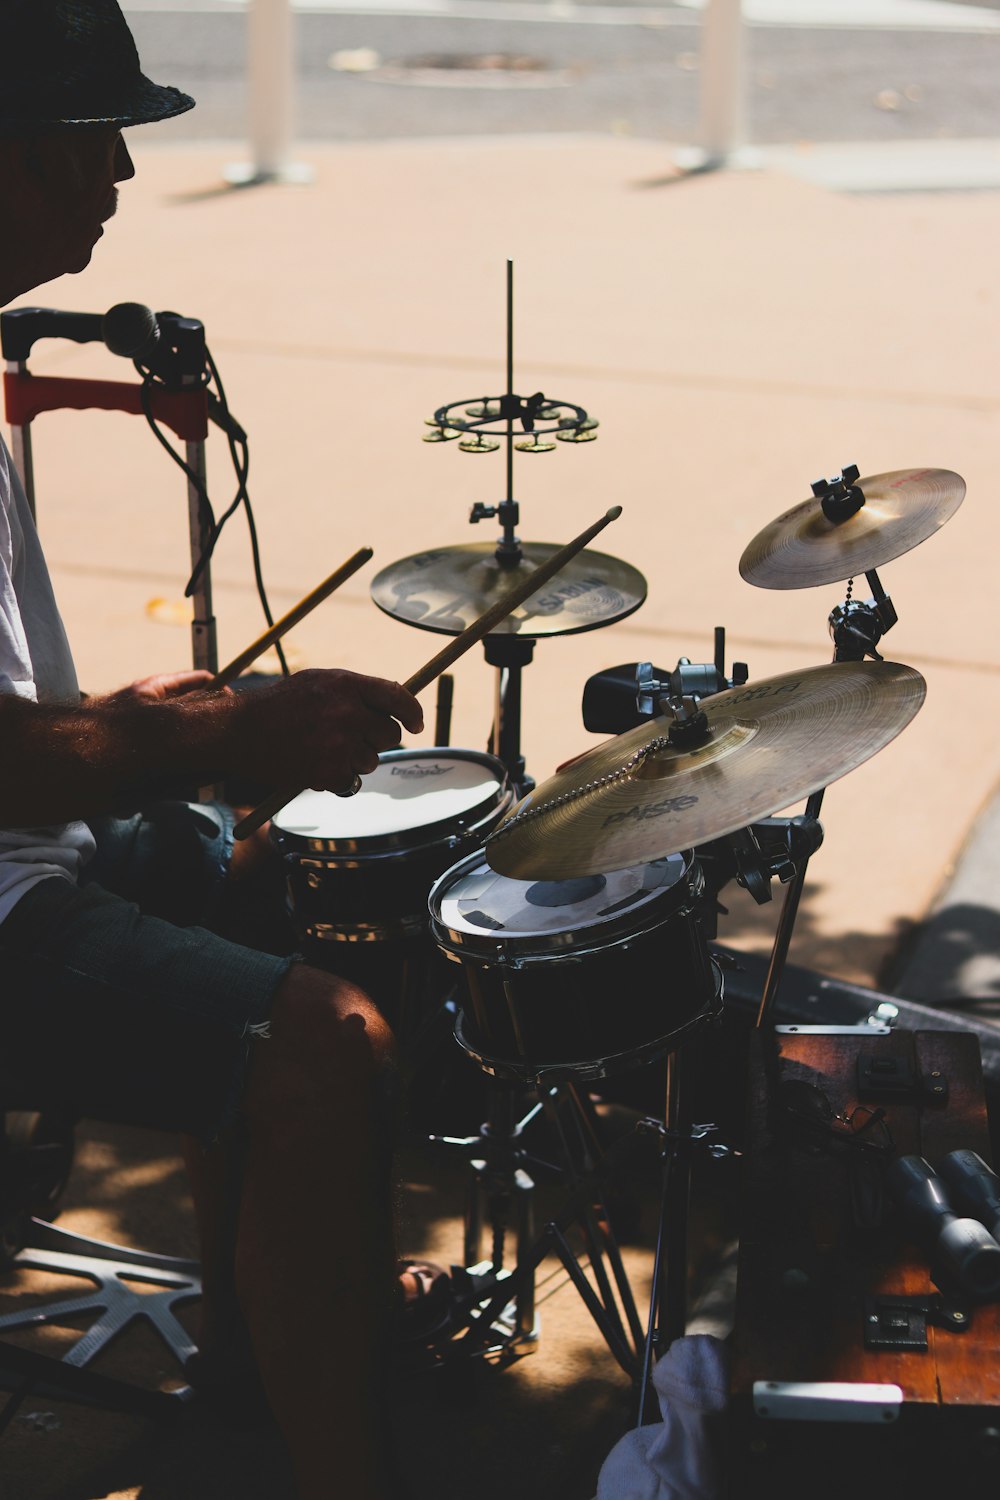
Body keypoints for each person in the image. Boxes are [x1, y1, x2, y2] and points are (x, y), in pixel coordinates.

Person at [0, 4, 427, 1496]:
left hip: (27, 833)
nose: (116, 172)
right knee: (330, 1045)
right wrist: (217, 730)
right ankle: (336, 1471)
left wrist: (160, 726)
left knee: (278, 871)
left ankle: (269, 1342)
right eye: (80, 138)